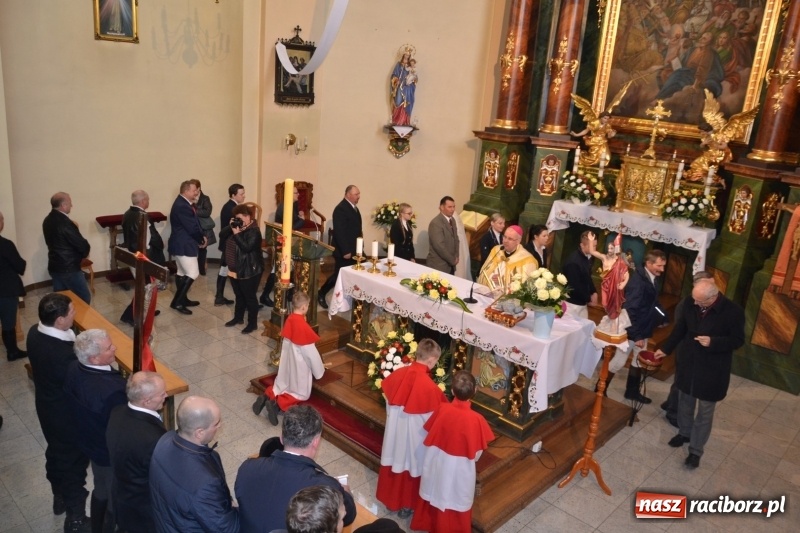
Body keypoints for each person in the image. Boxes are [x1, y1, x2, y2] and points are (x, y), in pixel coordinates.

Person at [655, 280, 744, 468]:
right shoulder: (691, 302)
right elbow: (680, 328)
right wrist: (666, 349)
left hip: (713, 368)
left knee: (705, 411)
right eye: (694, 299)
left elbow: (737, 340)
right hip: (689, 362)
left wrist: (713, 342)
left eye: (699, 301)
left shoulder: (733, 311)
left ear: (712, 298)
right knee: (685, 402)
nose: (694, 303)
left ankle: (695, 451)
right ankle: (684, 433)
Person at [235, 405, 357, 533]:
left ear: (281, 438)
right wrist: (346, 493)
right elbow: (348, 517)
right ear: (316, 442)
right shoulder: (326, 488)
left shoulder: (247, 468)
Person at [26, 293, 91, 532]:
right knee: (73, 462)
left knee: (55, 453)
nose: (75, 314)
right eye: (72, 312)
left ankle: (59, 497)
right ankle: (75, 518)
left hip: (47, 406)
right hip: (65, 414)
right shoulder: (62, 356)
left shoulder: (35, 332)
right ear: (60, 320)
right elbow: (82, 384)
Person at [411, 371, 495, 533]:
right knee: (455, 496)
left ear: (452, 390)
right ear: (475, 391)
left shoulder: (441, 409)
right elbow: (476, 454)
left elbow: (429, 432)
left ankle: (430, 525)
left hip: (437, 462)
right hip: (460, 469)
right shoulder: (476, 419)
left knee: (434, 490)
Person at [63, 329, 128, 533]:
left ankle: (97, 526)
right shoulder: (111, 390)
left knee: (100, 488)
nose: (114, 348)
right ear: (94, 358)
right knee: (114, 495)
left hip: (90, 443)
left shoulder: (74, 368)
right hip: (108, 452)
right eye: (109, 348)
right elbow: (123, 426)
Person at [376, 339, 447, 518]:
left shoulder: (398, 374)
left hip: (395, 432)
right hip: (415, 438)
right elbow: (435, 420)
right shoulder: (430, 388)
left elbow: (389, 401)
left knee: (395, 460)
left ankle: (391, 500)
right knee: (412, 466)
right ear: (431, 360)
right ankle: (408, 504)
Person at [150, 396, 239, 533]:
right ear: (199, 432)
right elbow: (227, 529)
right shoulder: (205, 483)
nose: (220, 425)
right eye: (216, 423)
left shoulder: (165, 440)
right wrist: (238, 510)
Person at [106, 371, 167, 533]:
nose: (166, 396)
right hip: (144, 510)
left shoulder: (117, 412)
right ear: (147, 401)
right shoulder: (154, 439)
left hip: (121, 496)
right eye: (162, 394)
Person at [253, 292, 325, 425]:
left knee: (281, 384)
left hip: (287, 362)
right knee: (299, 392)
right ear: (304, 307)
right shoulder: (303, 328)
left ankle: (267, 396)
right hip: (299, 366)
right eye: (308, 305)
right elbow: (311, 354)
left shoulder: (290, 319)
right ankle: (277, 405)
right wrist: (319, 371)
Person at [608, 249, 668, 404]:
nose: (662, 269)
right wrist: (637, 336)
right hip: (631, 330)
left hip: (643, 328)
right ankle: (600, 388)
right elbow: (629, 310)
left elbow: (653, 302)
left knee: (638, 360)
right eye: (659, 266)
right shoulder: (638, 282)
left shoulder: (651, 278)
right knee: (619, 361)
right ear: (649, 263)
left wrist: (663, 317)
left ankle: (632, 392)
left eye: (663, 266)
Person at [660, 271, 714, 427]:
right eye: (707, 284)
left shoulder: (704, 301)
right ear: (696, 284)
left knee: (680, 379)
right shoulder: (688, 304)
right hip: (686, 348)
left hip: (692, 347)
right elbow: (681, 329)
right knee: (682, 381)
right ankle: (673, 413)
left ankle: (670, 403)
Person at [120, 190, 165, 326]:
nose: (148, 202)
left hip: (132, 254)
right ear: (143, 201)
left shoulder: (127, 214)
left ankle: (137, 313)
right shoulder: (143, 216)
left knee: (143, 287)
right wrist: (160, 245)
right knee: (146, 288)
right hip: (142, 256)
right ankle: (134, 317)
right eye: (148, 199)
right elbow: (152, 236)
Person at [221, 204, 264, 334]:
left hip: (249, 269)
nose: (238, 221)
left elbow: (246, 248)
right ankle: (238, 317)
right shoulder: (237, 227)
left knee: (249, 297)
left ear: (248, 216)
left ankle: (252, 323)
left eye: (240, 218)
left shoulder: (254, 231)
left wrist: (236, 233)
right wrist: (231, 226)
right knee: (239, 295)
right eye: (236, 218)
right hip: (234, 269)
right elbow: (221, 235)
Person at [42, 192, 92, 304]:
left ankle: (67, 316)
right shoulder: (65, 223)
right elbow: (81, 244)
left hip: (55, 266)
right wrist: (85, 252)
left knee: (61, 301)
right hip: (69, 268)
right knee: (83, 299)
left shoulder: (47, 220)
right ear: (63, 205)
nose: (71, 205)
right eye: (70, 203)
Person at [318, 185, 362, 309]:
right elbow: (340, 232)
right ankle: (321, 292)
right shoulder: (341, 209)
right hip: (345, 250)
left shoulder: (354, 208)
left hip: (355, 249)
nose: (358, 196)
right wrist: (345, 250)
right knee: (338, 275)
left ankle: (350, 298)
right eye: (356, 194)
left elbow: (357, 230)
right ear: (348, 194)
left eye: (359, 194)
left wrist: (360, 247)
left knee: (355, 273)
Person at [262, 186, 306, 307]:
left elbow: (293, 221)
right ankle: (265, 295)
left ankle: (289, 294)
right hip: (282, 242)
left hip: (289, 241)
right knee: (277, 269)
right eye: (296, 193)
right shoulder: (285, 207)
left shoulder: (293, 205)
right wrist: (302, 220)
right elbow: (289, 227)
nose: (298, 194)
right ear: (289, 194)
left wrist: (299, 217)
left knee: (289, 267)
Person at [167, 180, 206, 315]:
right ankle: (177, 302)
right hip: (184, 244)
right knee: (193, 273)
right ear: (186, 191)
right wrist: (201, 239)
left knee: (182, 272)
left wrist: (201, 236)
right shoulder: (182, 206)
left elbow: (194, 224)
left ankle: (183, 299)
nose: (196, 193)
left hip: (181, 243)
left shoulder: (182, 203)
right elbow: (192, 227)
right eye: (194, 190)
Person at [477, 225, 538, 294]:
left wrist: (502, 280)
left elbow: (524, 287)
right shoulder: (496, 250)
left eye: (510, 239)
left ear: (518, 241)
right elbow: (484, 271)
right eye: (505, 237)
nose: (505, 241)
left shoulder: (527, 260)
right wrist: (491, 276)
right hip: (488, 292)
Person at [0, 210, 27, 361]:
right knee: (8, 323)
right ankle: (12, 352)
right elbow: (19, 266)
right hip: (5, 290)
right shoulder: (5, 244)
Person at [587, 233, 630, 321]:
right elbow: (592, 252)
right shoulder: (604, 258)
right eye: (608, 248)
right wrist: (591, 241)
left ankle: (612, 320)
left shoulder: (619, 261)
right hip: (606, 285)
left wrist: (623, 284)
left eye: (611, 248)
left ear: (615, 249)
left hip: (615, 286)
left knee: (614, 306)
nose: (609, 250)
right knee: (605, 304)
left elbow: (627, 274)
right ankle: (611, 318)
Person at [216, 183, 244, 306]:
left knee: (224, 270)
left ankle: (219, 296)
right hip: (230, 244)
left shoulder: (231, 206)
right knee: (225, 270)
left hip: (228, 244)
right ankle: (219, 297)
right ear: (233, 195)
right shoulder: (231, 208)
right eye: (241, 194)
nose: (244, 196)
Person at [562, 231, 598, 319]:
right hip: (571, 305)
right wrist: (589, 298)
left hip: (581, 303)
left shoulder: (587, 257)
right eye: (591, 246)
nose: (594, 249)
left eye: (595, 246)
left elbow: (587, 277)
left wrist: (594, 292)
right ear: (582, 245)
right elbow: (574, 286)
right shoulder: (573, 262)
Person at [426, 196, 460, 275]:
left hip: (450, 265)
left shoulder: (452, 220)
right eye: (449, 207)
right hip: (438, 265)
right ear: (442, 207)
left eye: (454, 207)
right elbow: (439, 246)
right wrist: (452, 260)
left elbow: (456, 239)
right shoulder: (436, 223)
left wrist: (456, 256)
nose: (452, 209)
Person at [191, 179, 216, 276]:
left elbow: (207, 212)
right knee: (192, 248)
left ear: (199, 188)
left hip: (203, 228)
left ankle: (201, 270)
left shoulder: (205, 198)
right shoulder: (189, 197)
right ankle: (193, 269)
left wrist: (194, 210)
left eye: (194, 189)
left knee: (202, 249)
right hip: (193, 227)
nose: (193, 191)